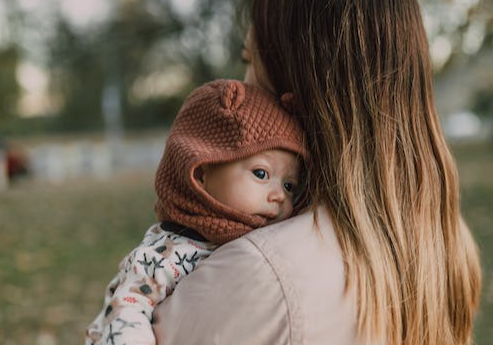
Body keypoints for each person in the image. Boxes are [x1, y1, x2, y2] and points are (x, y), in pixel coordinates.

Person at [152, 1, 482, 344]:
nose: (242, 83)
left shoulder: (261, 273)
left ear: (295, 97)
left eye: (249, 60)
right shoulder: (445, 243)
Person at [85, 79, 306, 345]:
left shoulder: (273, 243)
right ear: (201, 172)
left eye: (289, 185)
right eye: (261, 173)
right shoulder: (167, 251)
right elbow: (126, 309)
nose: (279, 195)